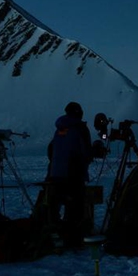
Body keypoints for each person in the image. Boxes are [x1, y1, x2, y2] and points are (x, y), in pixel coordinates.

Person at [46, 101, 92, 247]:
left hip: (55, 174)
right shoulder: (80, 129)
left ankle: (54, 234)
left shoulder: (60, 129)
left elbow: (51, 149)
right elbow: (85, 152)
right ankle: (73, 238)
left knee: (55, 205)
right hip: (73, 174)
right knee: (75, 207)